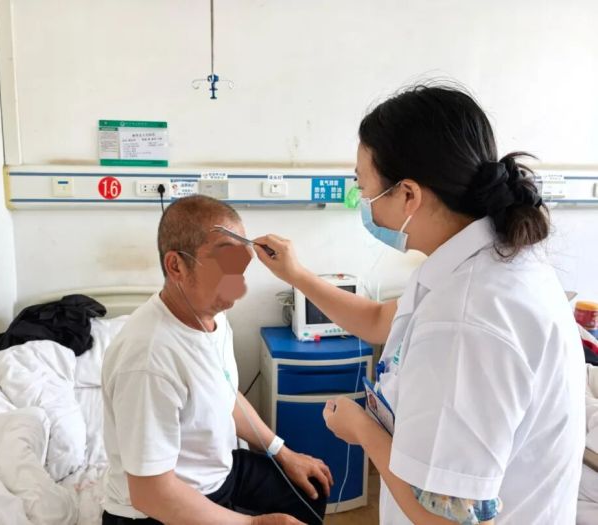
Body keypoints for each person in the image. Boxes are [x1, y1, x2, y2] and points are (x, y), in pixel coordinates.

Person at [253, 84, 585, 524]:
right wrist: (296, 275)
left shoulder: (466, 319)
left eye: (364, 188)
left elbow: (446, 518)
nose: (363, 203)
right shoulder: (484, 260)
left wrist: (362, 430)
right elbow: (378, 320)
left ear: (408, 195)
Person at [101, 195, 332, 525]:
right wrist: (253, 524)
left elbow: (224, 392)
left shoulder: (213, 318)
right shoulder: (149, 359)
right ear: (176, 266)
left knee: (311, 489)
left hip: (217, 474)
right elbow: (150, 493)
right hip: (157, 509)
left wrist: (283, 452)